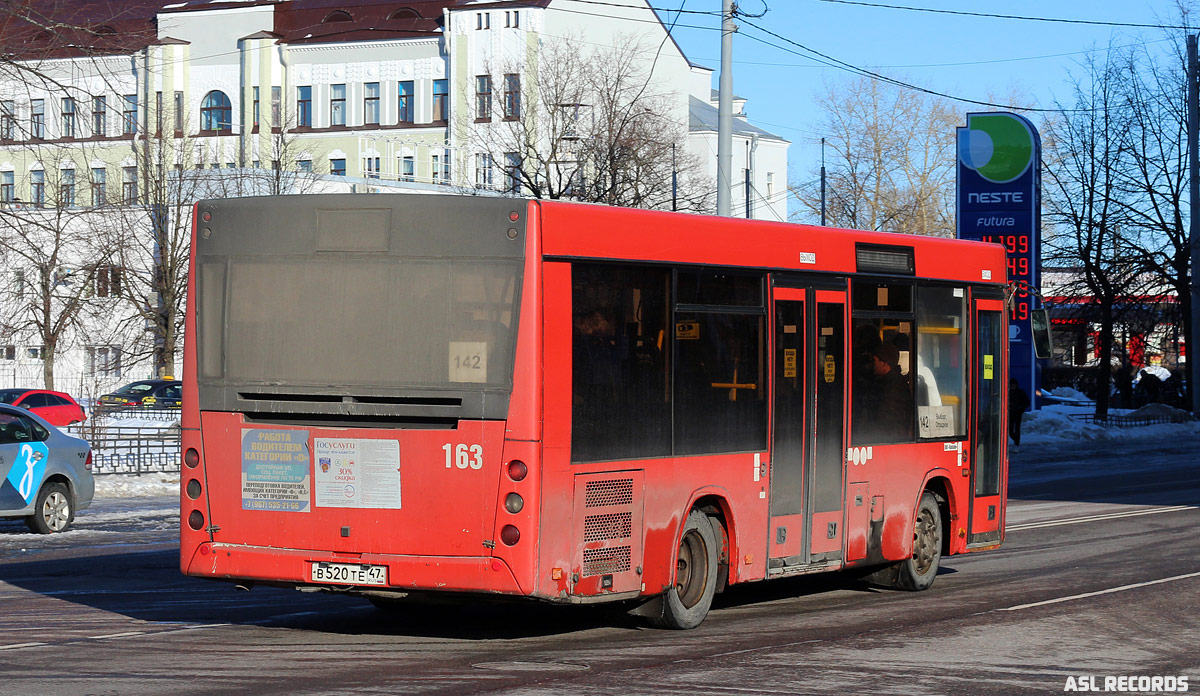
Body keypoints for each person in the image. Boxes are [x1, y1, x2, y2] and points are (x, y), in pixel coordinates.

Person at [868, 342, 912, 441]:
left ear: (884, 363)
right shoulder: (890, 382)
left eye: (875, 361)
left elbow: (885, 419)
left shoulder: (892, 386)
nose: (873, 365)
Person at [1008, 378, 1030, 446]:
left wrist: (1020, 409)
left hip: (1017, 413)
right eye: (1011, 385)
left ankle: (1017, 443)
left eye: (1014, 385)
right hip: (1010, 414)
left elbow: (1027, 402)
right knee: (1010, 431)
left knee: (1017, 429)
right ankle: (1016, 440)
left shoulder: (1020, 393)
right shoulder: (1008, 393)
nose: (1013, 386)